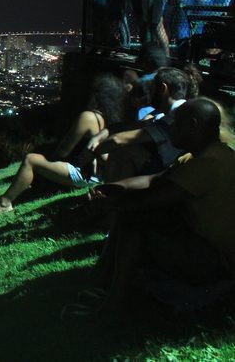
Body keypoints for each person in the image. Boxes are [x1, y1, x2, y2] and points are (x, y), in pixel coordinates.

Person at [81, 98, 234, 315]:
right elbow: (154, 180)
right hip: (204, 249)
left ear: (192, 124)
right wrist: (112, 188)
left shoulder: (211, 162)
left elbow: (156, 197)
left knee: (136, 218)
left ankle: (113, 301)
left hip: (218, 263)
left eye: (176, 122)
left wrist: (108, 204)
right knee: (136, 213)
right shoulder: (198, 156)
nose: (170, 128)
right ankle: (100, 283)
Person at [0, 74, 125, 214]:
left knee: (31, 160)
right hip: (99, 174)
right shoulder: (115, 118)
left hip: (83, 174)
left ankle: (4, 203)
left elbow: (63, 151)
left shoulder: (89, 117)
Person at [88, 67, 190, 182]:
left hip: (169, 175)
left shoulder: (176, 114)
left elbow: (118, 140)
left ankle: (110, 194)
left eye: (151, 90)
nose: (149, 96)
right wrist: (102, 134)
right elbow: (133, 126)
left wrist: (93, 152)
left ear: (163, 88)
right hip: (170, 170)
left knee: (125, 149)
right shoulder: (178, 110)